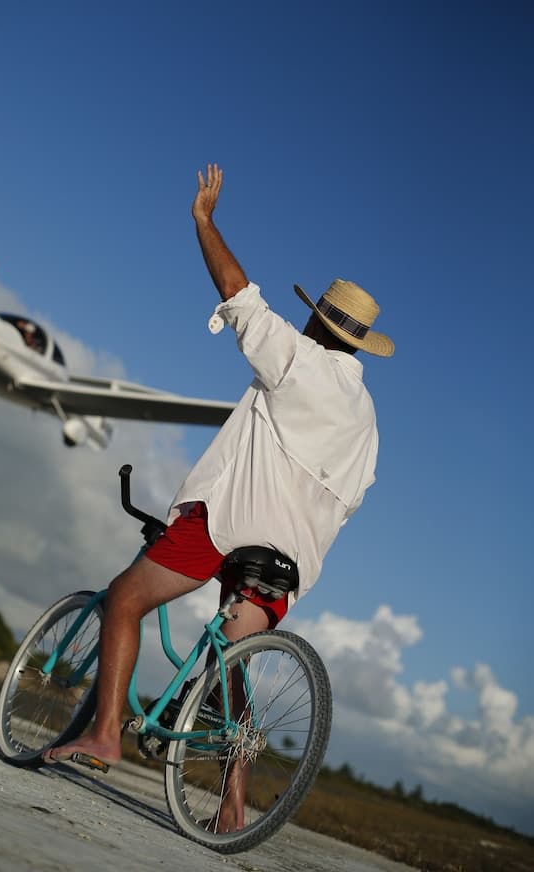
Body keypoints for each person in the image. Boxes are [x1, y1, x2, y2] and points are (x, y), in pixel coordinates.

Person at [44, 163, 394, 829]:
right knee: (228, 664)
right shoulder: (367, 420)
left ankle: (104, 734)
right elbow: (351, 500)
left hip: (227, 524)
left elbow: (238, 294)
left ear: (318, 323)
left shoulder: (297, 359)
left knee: (123, 599)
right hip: (292, 558)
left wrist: (204, 221)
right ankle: (233, 806)